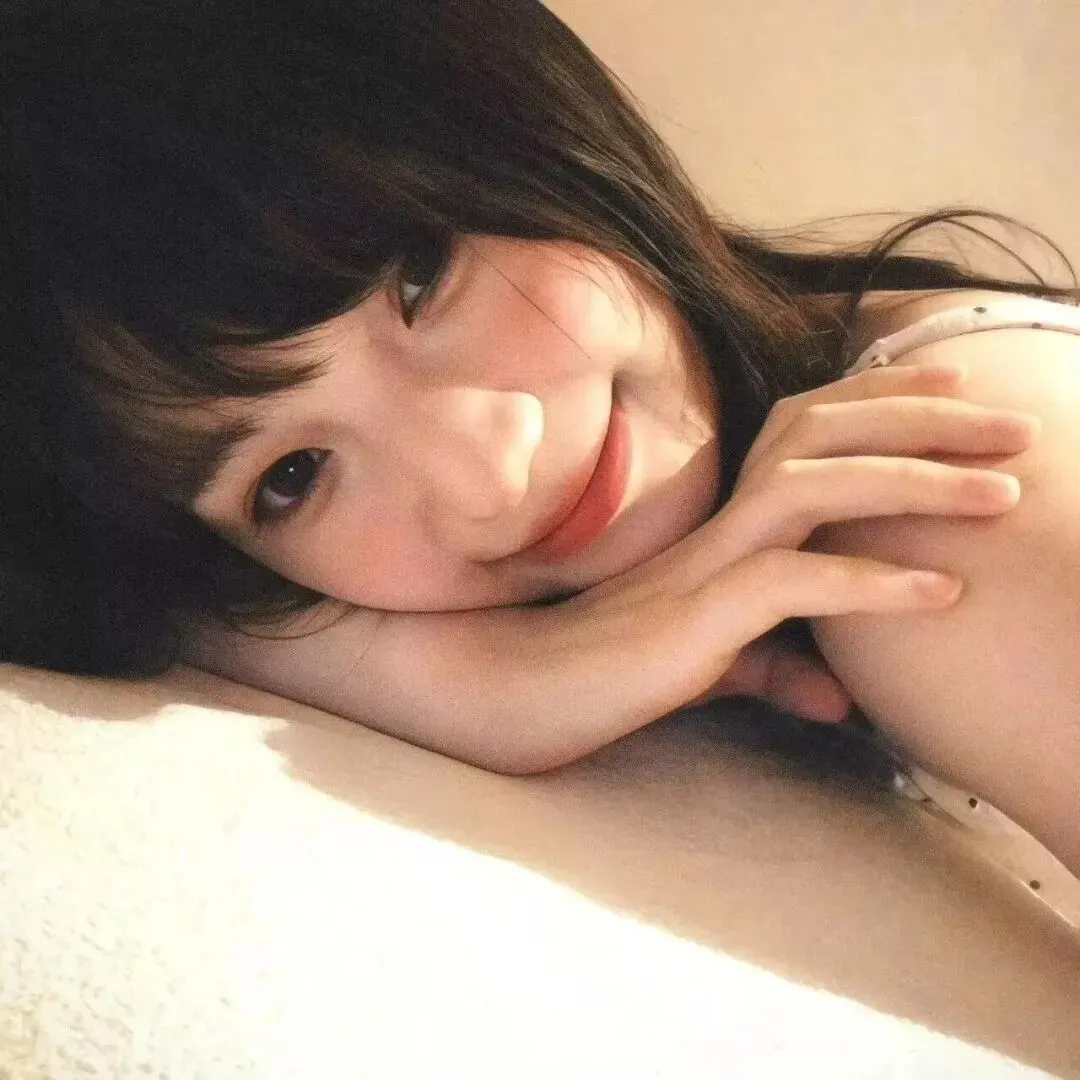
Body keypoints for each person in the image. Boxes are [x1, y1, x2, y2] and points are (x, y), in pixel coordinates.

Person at [3, 0, 1079, 877]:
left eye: (421, 278)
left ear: (521, 119)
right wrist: (452, 681)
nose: (488, 478)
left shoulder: (930, 503)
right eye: (292, 477)